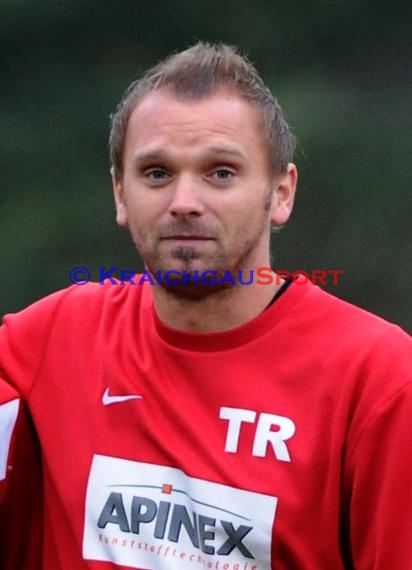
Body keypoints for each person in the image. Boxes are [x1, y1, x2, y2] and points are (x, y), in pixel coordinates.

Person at [0, 42, 411, 570]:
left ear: (281, 193)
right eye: (156, 173)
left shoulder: (377, 378)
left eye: (220, 172)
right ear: (120, 195)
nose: (184, 201)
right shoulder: (47, 341)